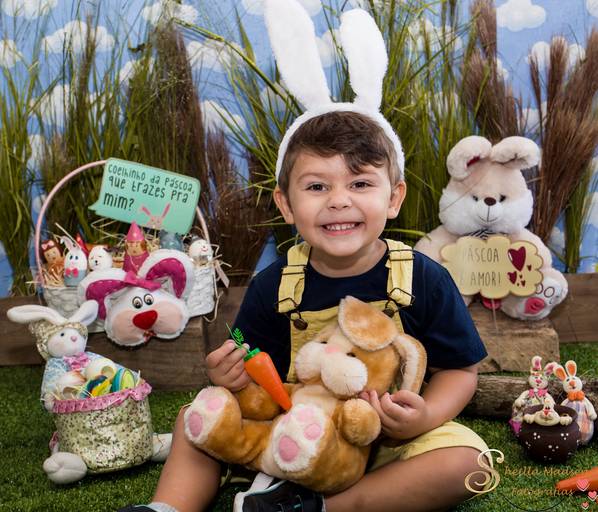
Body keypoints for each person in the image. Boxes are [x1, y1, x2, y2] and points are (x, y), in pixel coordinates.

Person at [119, 2, 493, 511]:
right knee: (195, 417)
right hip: (291, 432)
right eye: (317, 186)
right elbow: (252, 363)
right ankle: (170, 506)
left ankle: (310, 506)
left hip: (381, 439)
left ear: (394, 198)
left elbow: (460, 371)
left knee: (468, 463)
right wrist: (227, 375)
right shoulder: (275, 285)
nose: (339, 201)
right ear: (286, 205)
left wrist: (424, 416)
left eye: (360, 184)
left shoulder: (423, 277)